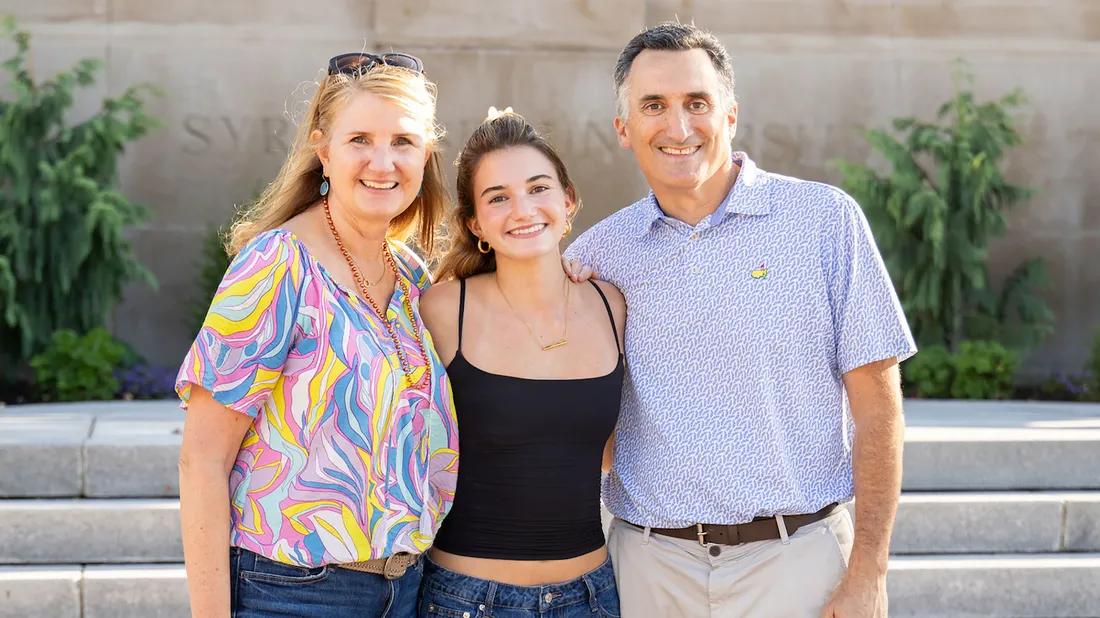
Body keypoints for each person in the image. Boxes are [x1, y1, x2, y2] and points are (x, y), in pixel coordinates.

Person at [562, 22, 918, 618]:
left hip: (797, 562)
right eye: (654, 106)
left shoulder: (824, 223)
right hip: (650, 568)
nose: (678, 127)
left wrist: (869, 574)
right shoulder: (600, 256)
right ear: (624, 130)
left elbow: (879, 409)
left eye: (696, 103)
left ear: (730, 116)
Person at [175, 52, 459, 618]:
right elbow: (201, 460)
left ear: (426, 155)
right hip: (291, 593)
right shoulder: (277, 265)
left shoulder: (410, 276)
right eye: (360, 139)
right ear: (322, 148)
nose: (383, 161)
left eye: (403, 141)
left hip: (407, 589)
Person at [414, 108, 625, 618]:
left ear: (567, 199)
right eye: (498, 198)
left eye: (538, 188)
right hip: (468, 599)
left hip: (591, 597)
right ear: (475, 223)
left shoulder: (611, 305)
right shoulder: (441, 311)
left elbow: (609, 454)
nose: (522, 209)